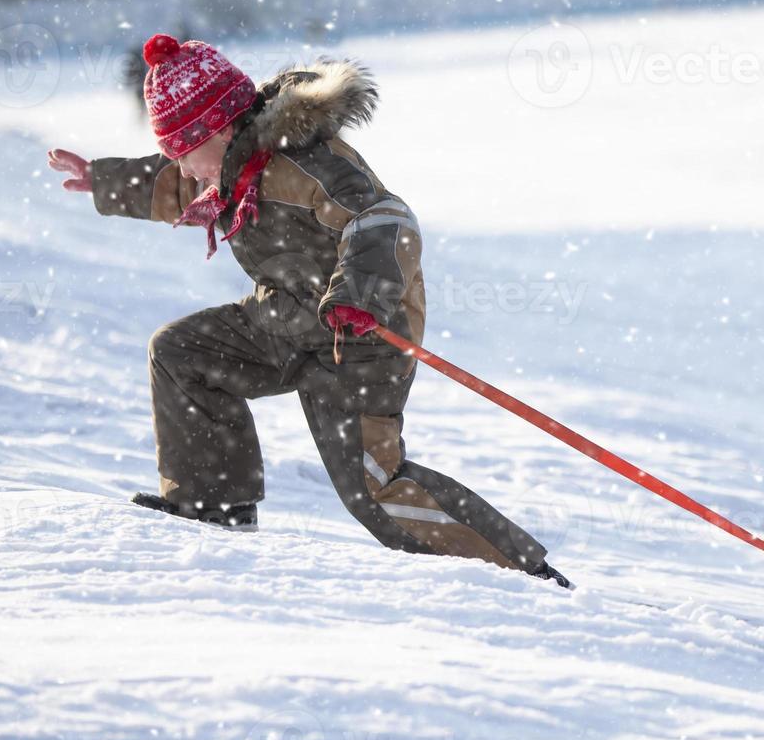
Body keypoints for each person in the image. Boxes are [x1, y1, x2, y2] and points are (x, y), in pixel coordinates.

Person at [49, 34, 569, 588]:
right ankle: (213, 507)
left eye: (184, 152)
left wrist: (358, 297)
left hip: (361, 333)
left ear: (219, 129)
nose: (184, 169)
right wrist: (102, 179)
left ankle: (522, 574)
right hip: (287, 319)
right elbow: (172, 184)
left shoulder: (306, 164)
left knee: (373, 489)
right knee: (182, 352)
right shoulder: (227, 165)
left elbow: (384, 220)